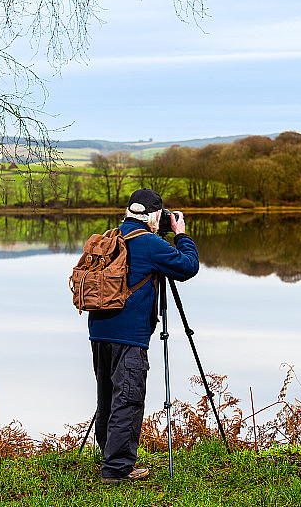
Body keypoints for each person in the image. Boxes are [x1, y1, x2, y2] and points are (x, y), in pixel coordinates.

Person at [89, 188, 199, 484]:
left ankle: (110, 455)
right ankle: (117, 470)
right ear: (154, 216)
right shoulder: (150, 243)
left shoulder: (109, 237)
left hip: (98, 331)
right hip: (130, 335)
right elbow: (188, 267)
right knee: (128, 398)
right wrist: (181, 235)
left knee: (108, 395)